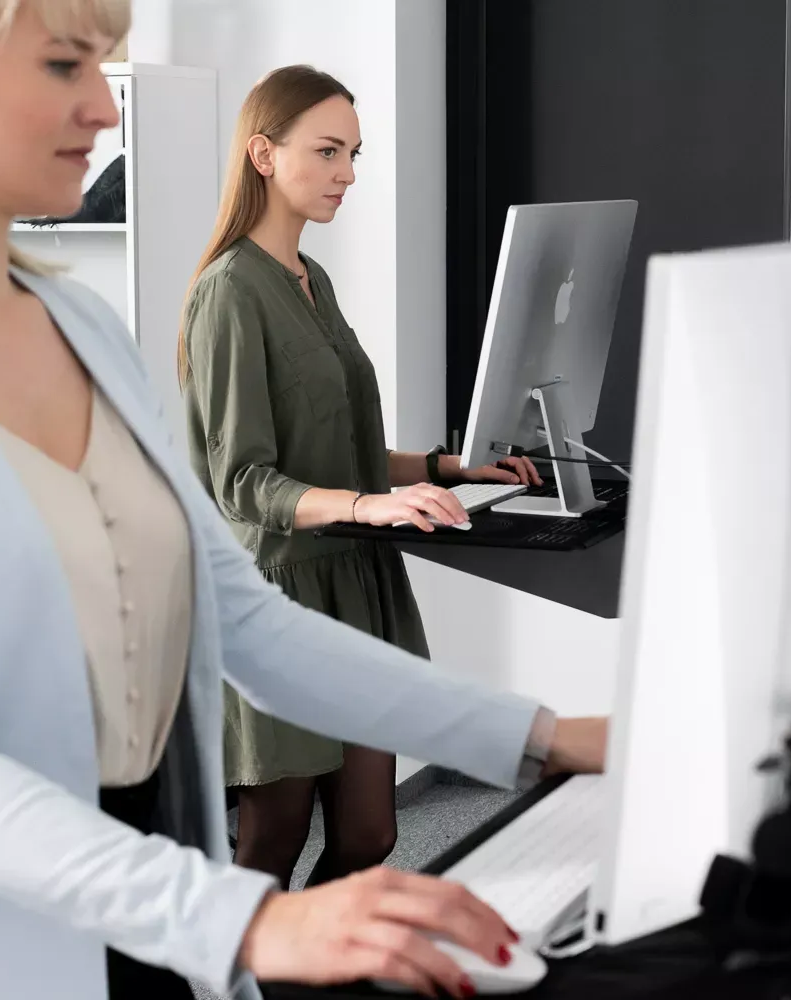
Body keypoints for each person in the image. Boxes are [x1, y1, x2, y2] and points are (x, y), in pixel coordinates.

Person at [0, 4, 607, 1000]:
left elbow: (245, 619)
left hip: (155, 917)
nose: (103, 111)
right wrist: (250, 913)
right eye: (65, 65)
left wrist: (542, 733)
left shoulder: (83, 325)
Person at [181, 65, 546, 890]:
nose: (349, 172)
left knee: (370, 834)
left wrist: (447, 466)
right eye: (329, 151)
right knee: (269, 842)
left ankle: (322, 968)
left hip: (357, 582)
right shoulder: (230, 292)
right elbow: (243, 480)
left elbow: (340, 446)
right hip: (282, 592)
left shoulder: (314, 283)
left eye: (354, 152)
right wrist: (371, 505)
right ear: (263, 154)